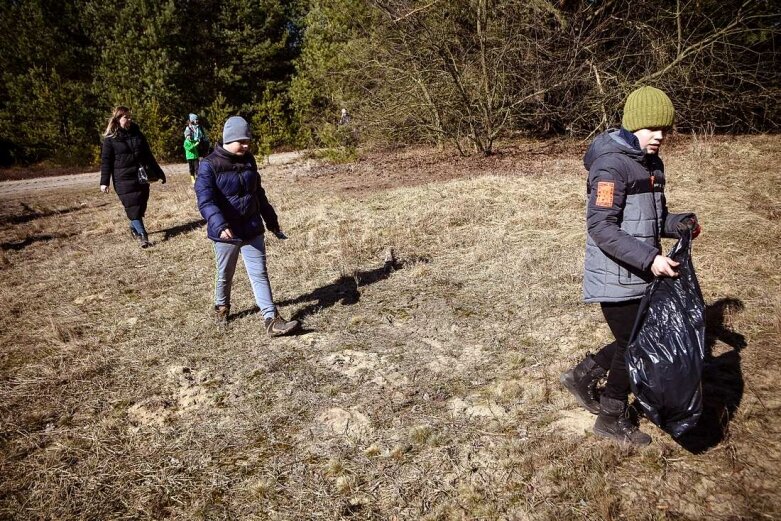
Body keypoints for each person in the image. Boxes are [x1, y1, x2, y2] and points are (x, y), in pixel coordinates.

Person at [561, 86, 701, 445]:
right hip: (616, 274)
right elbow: (601, 226)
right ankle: (611, 415)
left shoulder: (652, 164)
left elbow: (654, 219)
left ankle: (582, 374)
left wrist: (678, 224)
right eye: (652, 128)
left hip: (641, 272)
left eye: (665, 129)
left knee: (633, 339)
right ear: (633, 124)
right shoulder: (611, 166)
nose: (659, 136)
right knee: (635, 344)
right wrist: (650, 257)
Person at [195, 116, 300, 336]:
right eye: (241, 141)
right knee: (225, 273)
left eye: (248, 141)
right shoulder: (209, 165)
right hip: (226, 232)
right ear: (228, 139)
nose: (246, 145)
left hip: (252, 227)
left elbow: (258, 194)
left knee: (259, 273)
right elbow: (206, 201)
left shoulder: (249, 160)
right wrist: (219, 223)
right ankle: (221, 307)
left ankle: (271, 319)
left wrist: (272, 222)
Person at [100, 106, 166, 249]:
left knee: (141, 204)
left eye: (130, 117)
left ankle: (134, 226)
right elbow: (106, 161)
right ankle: (143, 236)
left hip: (140, 176)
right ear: (118, 119)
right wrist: (104, 182)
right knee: (132, 205)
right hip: (122, 178)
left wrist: (159, 172)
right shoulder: (110, 139)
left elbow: (148, 155)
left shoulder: (137, 134)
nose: (129, 120)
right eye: (126, 117)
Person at [184, 113, 207, 185]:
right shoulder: (188, 128)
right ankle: (193, 176)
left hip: (199, 145)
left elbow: (203, 135)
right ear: (191, 120)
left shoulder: (199, 127)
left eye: (197, 119)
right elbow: (187, 136)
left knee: (199, 163)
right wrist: (191, 140)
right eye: (195, 119)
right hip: (193, 145)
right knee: (192, 166)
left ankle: (200, 177)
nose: (197, 121)